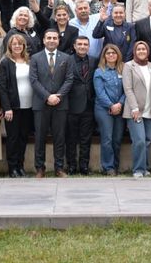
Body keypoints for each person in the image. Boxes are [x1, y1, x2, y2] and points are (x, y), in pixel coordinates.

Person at [29, 29, 74, 177]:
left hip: (60, 104)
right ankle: (40, 168)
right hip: (41, 104)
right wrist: (48, 96)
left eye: (55, 38)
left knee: (59, 137)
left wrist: (58, 96)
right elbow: (34, 80)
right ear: (43, 40)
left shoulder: (66, 58)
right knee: (40, 137)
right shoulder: (35, 58)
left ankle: (59, 168)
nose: (52, 40)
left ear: (58, 41)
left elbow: (69, 79)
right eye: (49, 38)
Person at [122, 41, 151, 178]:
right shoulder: (128, 66)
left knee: (148, 139)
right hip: (135, 110)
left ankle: (145, 168)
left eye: (144, 49)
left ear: (148, 51)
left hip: (150, 109)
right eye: (139, 49)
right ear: (134, 51)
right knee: (139, 140)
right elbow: (128, 89)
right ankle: (138, 169)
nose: (142, 51)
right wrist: (134, 108)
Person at [0, 34, 34, 178]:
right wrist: (7, 107)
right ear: (10, 46)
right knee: (13, 138)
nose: (17, 46)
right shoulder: (6, 62)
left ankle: (20, 166)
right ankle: (12, 167)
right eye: (14, 44)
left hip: (29, 106)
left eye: (20, 44)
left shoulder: (29, 61)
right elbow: (2, 87)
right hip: (13, 107)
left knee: (23, 137)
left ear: (24, 46)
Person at [93, 44, 126, 175]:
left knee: (117, 139)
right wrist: (111, 105)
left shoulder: (123, 70)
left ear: (118, 55)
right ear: (104, 56)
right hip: (103, 110)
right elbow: (99, 93)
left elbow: (127, 89)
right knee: (107, 138)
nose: (111, 55)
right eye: (108, 53)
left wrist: (120, 104)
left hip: (120, 108)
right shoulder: (99, 71)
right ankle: (108, 167)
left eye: (114, 53)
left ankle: (116, 165)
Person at [66, 36, 95, 175]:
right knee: (71, 138)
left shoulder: (94, 60)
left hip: (89, 105)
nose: (83, 46)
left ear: (88, 46)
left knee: (86, 138)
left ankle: (84, 166)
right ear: (75, 46)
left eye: (85, 44)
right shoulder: (67, 60)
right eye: (80, 44)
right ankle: (71, 166)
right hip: (71, 105)